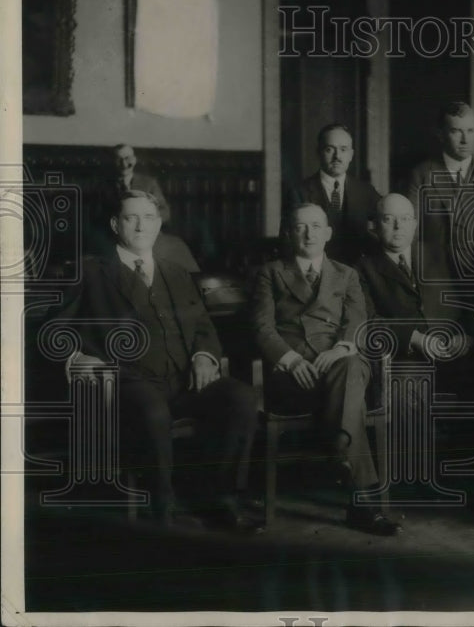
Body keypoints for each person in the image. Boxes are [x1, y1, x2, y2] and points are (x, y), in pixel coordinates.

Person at [58, 190, 259, 530]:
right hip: (128, 382)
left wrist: (204, 356)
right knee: (152, 408)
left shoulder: (176, 272)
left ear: (159, 223)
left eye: (149, 217)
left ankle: (221, 497)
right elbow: (53, 329)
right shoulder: (91, 272)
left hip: (182, 381)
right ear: (114, 224)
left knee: (241, 397)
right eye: (131, 217)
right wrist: (76, 357)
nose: (141, 225)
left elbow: (202, 326)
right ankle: (162, 507)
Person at [251, 202, 397, 536]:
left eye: (316, 226)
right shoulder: (270, 272)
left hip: (338, 364)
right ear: (289, 233)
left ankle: (342, 449)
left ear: (328, 233)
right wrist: (291, 360)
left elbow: (357, 320)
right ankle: (362, 497)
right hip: (292, 374)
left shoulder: (346, 274)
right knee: (352, 390)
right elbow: (262, 327)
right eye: (301, 226)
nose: (309, 233)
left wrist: (341, 348)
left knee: (351, 367)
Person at [356, 194, 474, 398]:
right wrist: (415, 338)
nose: (398, 226)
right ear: (374, 226)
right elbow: (369, 322)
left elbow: (472, 301)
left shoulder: (442, 254)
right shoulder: (363, 268)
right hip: (406, 357)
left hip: (457, 351)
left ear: (414, 224)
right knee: (407, 391)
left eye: (404, 219)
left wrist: (467, 336)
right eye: (388, 219)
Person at [407, 101, 474, 283]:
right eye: (456, 131)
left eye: (470, 131)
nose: (465, 140)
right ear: (440, 134)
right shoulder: (422, 174)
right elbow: (410, 232)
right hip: (436, 279)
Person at [290, 123, 381, 267]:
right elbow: (288, 243)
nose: (337, 156)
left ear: (351, 155)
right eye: (329, 149)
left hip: (358, 273)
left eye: (343, 150)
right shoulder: (300, 192)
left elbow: (387, 224)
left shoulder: (365, 191)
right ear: (318, 153)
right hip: (317, 272)